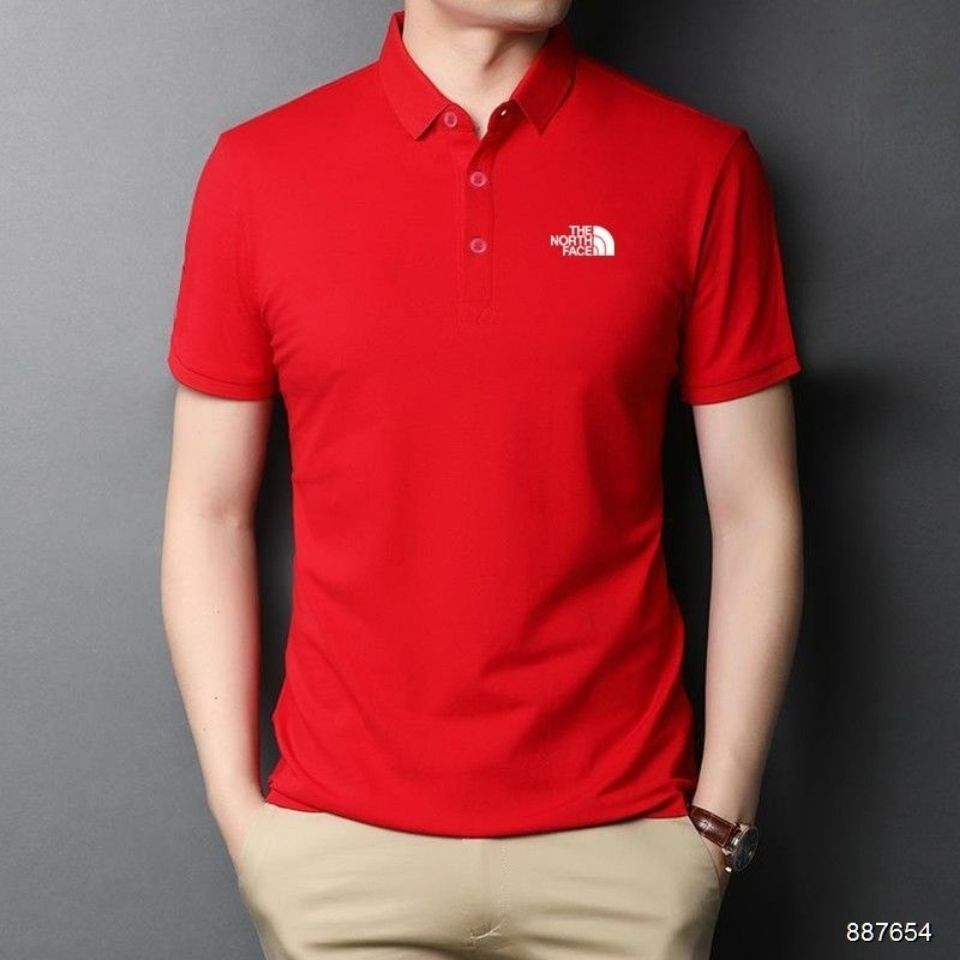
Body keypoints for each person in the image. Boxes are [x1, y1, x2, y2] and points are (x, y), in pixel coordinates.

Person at [160, 1, 804, 957]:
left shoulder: (700, 165)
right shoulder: (257, 171)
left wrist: (715, 824)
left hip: (624, 852)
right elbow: (207, 513)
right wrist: (242, 816)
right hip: (339, 857)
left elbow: (756, 514)